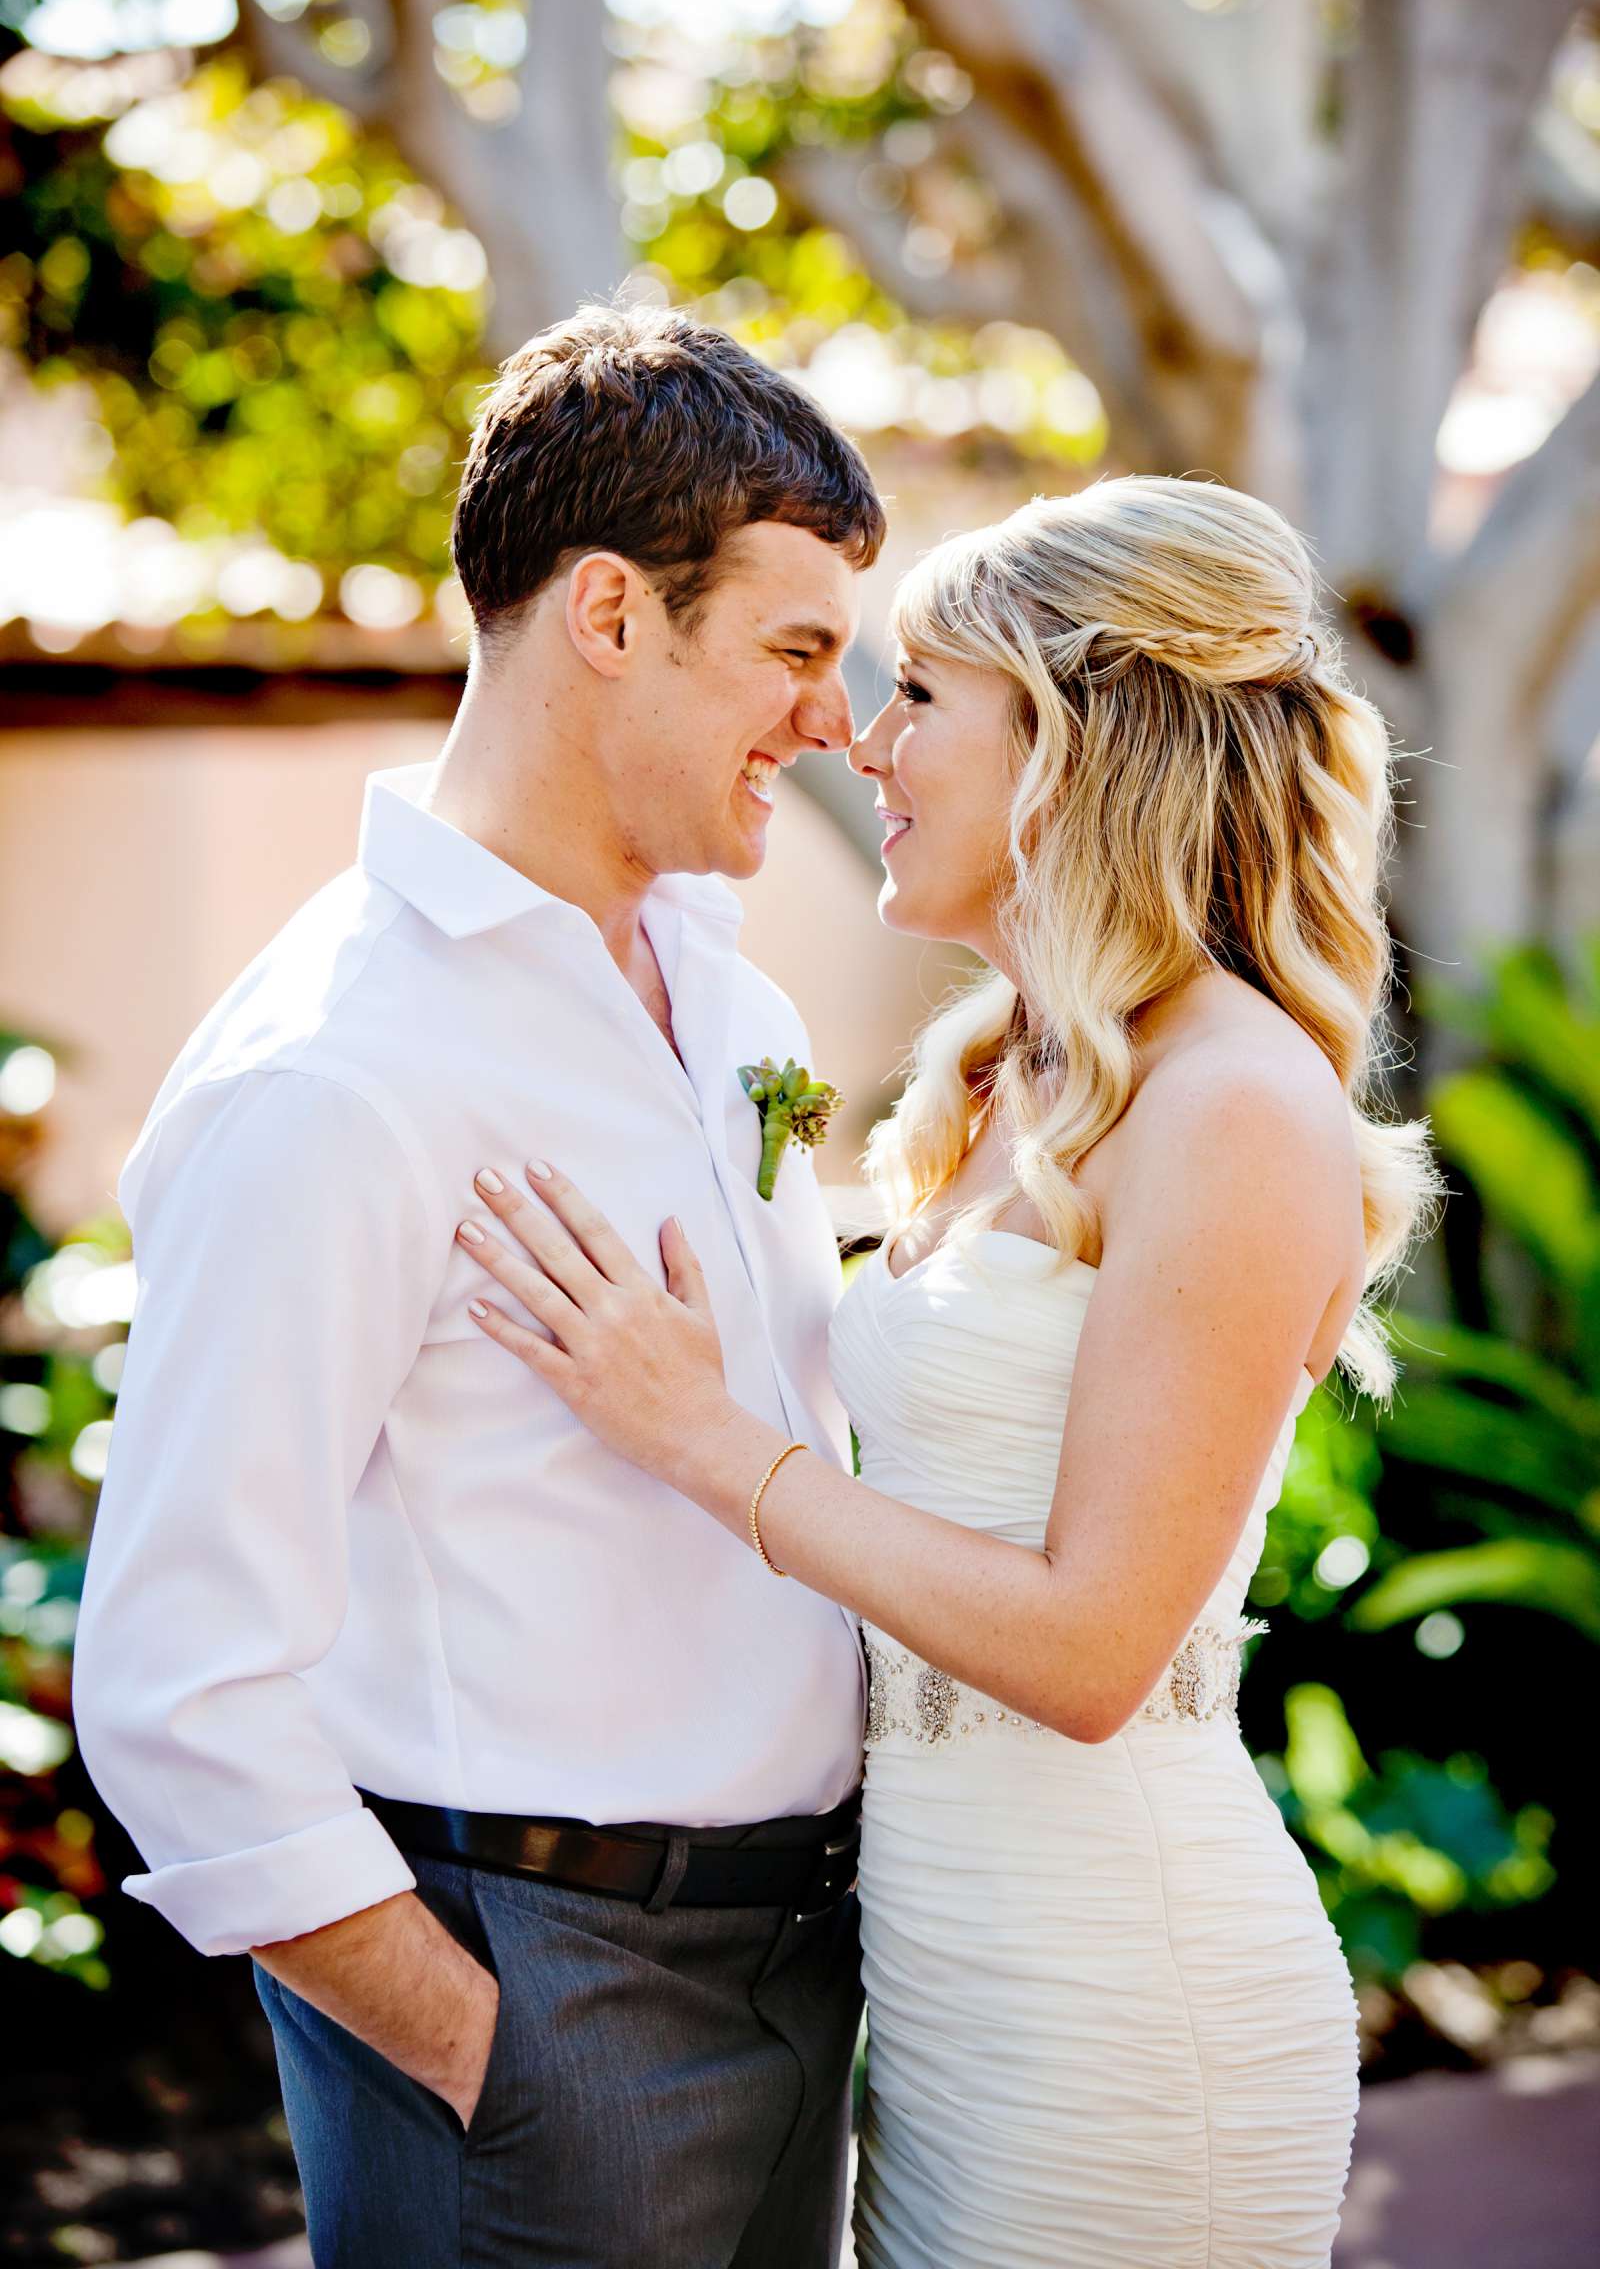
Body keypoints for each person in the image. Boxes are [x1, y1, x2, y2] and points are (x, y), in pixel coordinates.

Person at [456, 476, 1439, 2269]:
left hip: (1125, 2007)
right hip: (937, 1981)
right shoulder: (1005, 1078)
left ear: (1077, 741)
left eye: (920, 692)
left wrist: (708, 1445)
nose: (862, 737)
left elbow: (1086, 1648)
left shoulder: (1231, 1103)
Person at [72, 302, 886, 2269]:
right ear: (608, 614)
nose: (832, 724)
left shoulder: (728, 996)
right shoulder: (335, 1071)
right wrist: (485, 2055)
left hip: (807, 1967)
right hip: (543, 2003)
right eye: (790, 653)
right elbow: (176, 1681)